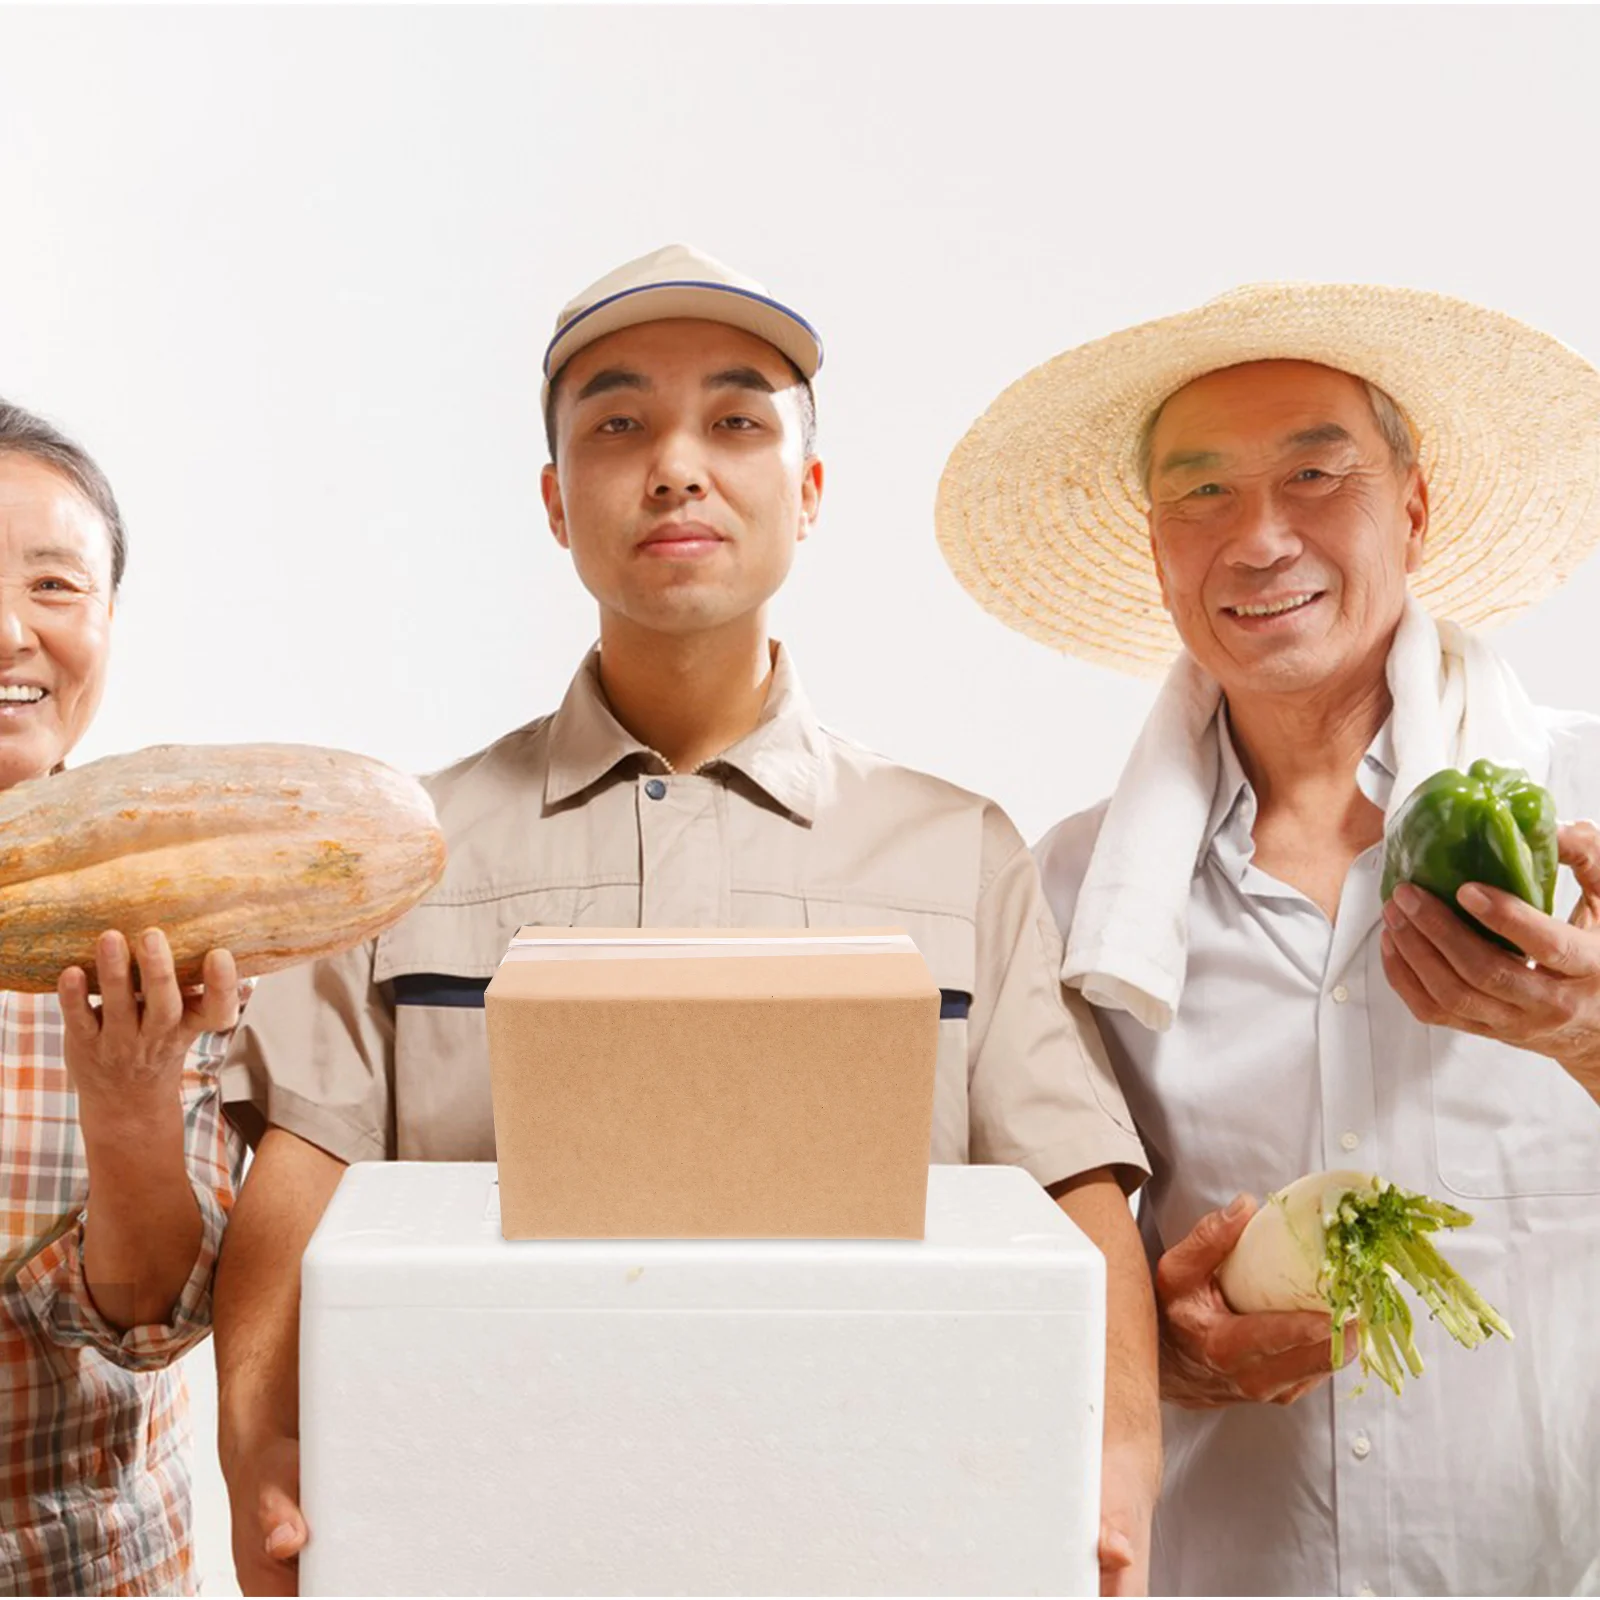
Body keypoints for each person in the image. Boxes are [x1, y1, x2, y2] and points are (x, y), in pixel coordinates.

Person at [212, 242, 1161, 1597]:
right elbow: (295, 1189)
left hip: (880, 1540)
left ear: (810, 489)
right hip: (485, 1540)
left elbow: (1078, 1196)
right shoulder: (402, 857)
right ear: (553, 499)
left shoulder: (959, 855)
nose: (675, 465)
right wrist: (263, 1447)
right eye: (617, 424)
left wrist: (1121, 1456)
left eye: (736, 421)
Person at [935, 283, 1600, 1595]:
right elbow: (1031, 1273)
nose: (1260, 539)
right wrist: (1161, 1354)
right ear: (1154, 548)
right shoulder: (1073, 891)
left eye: (1316, 472)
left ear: (1413, 509)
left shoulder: (1583, 815)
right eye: (1202, 496)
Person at [0, 402, 242, 1596]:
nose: (9, 633)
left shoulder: (179, 919)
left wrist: (130, 1101)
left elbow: (152, 1315)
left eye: (55, 586)